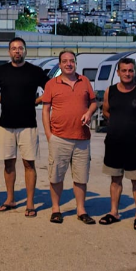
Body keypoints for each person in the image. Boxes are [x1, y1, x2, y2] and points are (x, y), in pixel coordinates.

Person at [0, 37, 49, 217]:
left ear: (25, 51)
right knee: (8, 164)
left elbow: (51, 89)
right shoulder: (1, 70)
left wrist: (37, 101)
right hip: (6, 124)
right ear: (9, 52)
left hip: (28, 124)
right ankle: (10, 199)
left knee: (29, 164)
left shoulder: (35, 71)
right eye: (14, 48)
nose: (17, 51)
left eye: (20, 48)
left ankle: (30, 203)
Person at [42, 51, 97, 224]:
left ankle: (81, 210)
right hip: (59, 138)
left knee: (81, 177)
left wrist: (89, 113)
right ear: (59, 65)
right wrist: (49, 134)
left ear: (75, 63)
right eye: (65, 61)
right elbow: (45, 110)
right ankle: (56, 209)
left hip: (82, 138)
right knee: (56, 176)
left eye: (71, 61)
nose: (68, 64)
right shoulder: (51, 84)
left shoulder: (84, 81)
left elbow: (94, 103)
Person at [99, 58, 136, 230]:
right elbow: (106, 111)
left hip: (135, 143)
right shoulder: (110, 91)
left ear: (135, 72)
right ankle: (114, 212)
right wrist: (117, 123)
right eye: (124, 70)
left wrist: (134, 127)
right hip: (114, 142)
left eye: (130, 70)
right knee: (115, 179)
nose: (127, 74)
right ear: (118, 72)